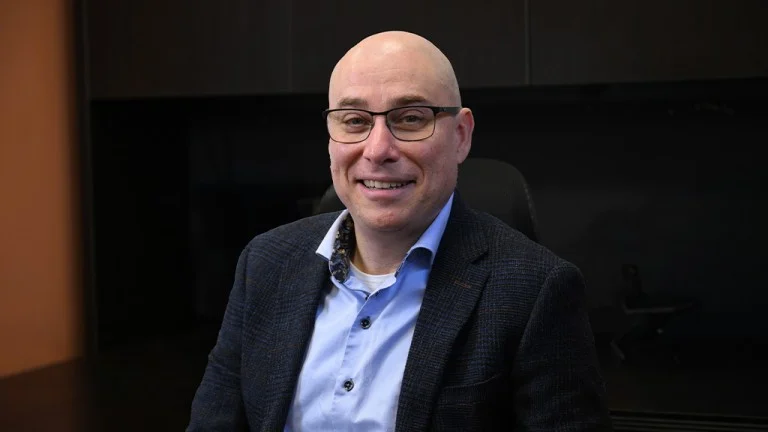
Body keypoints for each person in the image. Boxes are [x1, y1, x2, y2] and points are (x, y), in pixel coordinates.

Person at [187, 30, 612, 431]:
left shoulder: (536, 291)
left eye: (410, 118)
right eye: (354, 120)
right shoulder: (265, 263)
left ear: (461, 136)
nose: (378, 150)